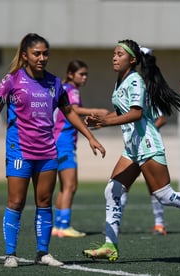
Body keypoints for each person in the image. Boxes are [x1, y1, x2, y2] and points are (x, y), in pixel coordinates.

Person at [82, 39, 180, 262]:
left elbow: (136, 114)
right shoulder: (120, 81)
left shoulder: (134, 81)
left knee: (165, 196)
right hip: (133, 147)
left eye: (119, 54)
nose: (114, 57)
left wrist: (105, 123)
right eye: (113, 53)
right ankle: (110, 246)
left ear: (132, 60)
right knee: (112, 191)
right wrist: (101, 119)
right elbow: (122, 113)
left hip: (147, 145)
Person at [0, 33, 106, 268]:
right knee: (16, 201)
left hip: (47, 152)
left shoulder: (55, 83)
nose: (42, 58)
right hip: (19, 151)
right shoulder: (11, 80)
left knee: (44, 201)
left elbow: (69, 112)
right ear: (25, 55)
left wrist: (91, 137)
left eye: (45, 53)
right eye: (37, 53)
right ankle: (10, 253)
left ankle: (43, 253)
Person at [52, 60, 109, 238]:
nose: (84, 77)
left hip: (56, 141)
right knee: (71, 185)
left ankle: (57, 226)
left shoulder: (63, 88)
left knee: (63, 187)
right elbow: (74, 109)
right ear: (71, 74)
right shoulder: (71, 89)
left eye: (86, 74)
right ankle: (65, 225)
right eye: (81, 74)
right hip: (64, 142)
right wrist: (97, 110)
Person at [120, 111, 169, 236]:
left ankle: (159, 224)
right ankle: (115, 223)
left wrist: (145, 134)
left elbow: (162, 118)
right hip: (133, 149)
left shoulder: (147, 94)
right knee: (121, 185)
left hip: (148, 148)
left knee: (155, 189)